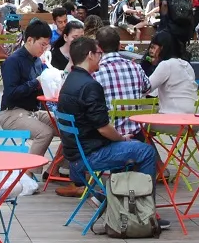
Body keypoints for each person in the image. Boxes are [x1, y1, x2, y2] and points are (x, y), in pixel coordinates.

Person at [56, 37, 161, 195]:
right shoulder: (90, 85)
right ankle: (144, 208)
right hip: (90, 155)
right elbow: (103, 128)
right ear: (90, 55)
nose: (101, 57)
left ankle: (120, 200)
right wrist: (121, 138)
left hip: (75, 156)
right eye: (99, 53)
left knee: (131, 149)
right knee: (146, 151)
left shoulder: (70, 80)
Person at [0, 20, 57, 157]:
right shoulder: (13, 61)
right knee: (45, 133)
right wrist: (36, 83)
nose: (44, 49)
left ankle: (57, 169)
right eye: (42, 44)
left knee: (68, 127)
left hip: (33, 111)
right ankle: (29, 173)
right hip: (12, 113)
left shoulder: (37, 60)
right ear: (30, 40)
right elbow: (11, 93)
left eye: (46, 46)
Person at [94, 26, 155, 142]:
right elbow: (148, 88)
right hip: (137, 133)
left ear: (98, 47)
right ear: (119, 45)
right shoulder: (136, 67)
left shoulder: (95, 72)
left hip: (108, 135)